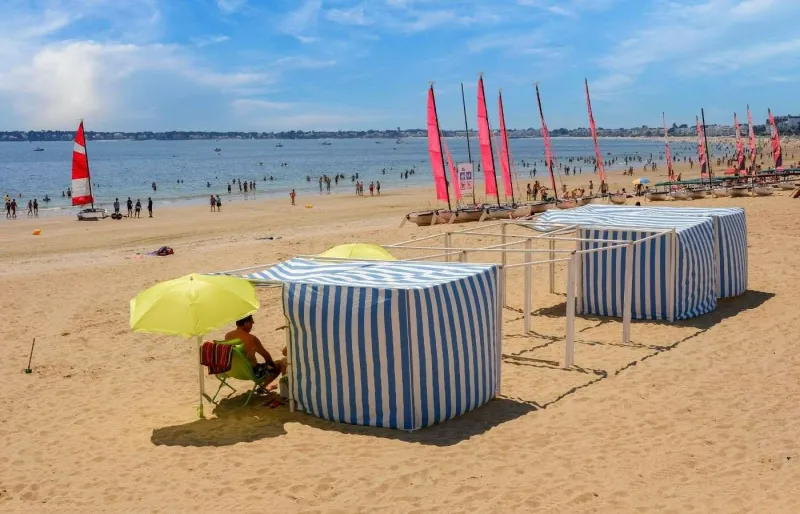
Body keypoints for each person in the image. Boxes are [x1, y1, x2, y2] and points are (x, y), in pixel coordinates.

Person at [224, 315, 286, 386]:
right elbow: (266, 356)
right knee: (279, 363)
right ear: (246, 324)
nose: (252, 325)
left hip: (232, 371)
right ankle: (263, 386)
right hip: (251, 373)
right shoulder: (252, 339)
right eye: (252, 322)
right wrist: (271, 366)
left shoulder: (228, 335)